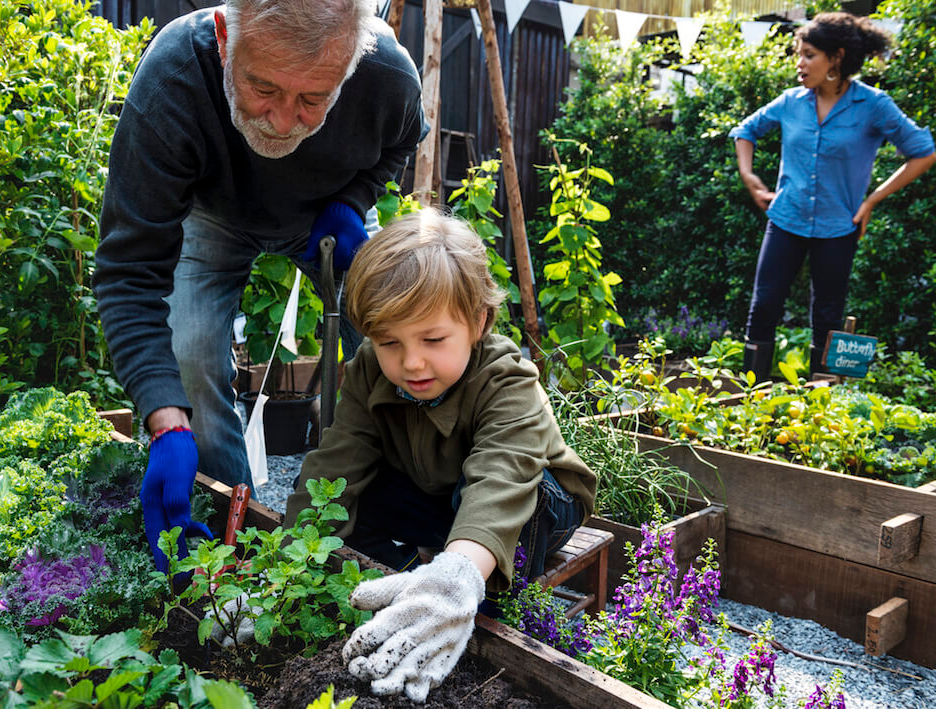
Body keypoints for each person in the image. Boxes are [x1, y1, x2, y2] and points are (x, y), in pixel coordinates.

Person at [91, 0, 426, 571]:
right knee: (190, 363)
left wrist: (351, 203)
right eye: (262, 87)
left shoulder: (386, 74)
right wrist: (165, 421)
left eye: (313, 100)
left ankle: (406, 512)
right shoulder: (175, 75)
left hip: (326, 216)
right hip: (213, 217)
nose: (280, 119)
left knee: (402, 338)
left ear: (350, 66)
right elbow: (129, 271)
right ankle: (230, 536)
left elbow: (400, 142)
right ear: (226, 38)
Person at [282, 208, 597, 702]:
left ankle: (477, 600)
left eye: (432, 339)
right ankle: (409, 581)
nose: (411, 361)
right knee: (348, 495)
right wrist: (282, 572)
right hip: (436, 492)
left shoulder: (506, 378)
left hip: (533, 500)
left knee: (521, 499)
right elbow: (335, 463)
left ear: (477, 322)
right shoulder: (370, 370)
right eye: (389, 342)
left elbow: (501, 476)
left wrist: (460, 577)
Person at [730, 12, 936, 378]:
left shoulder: (873, 105)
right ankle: (751, 400)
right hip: (786, 218)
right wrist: (749, 175)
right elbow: (746, 130)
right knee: (763, 308)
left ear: (836, 58)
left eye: (809, 54)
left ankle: (820, 406)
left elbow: (923, 152)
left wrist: (872, 200)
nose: (800, 63)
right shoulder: (791, 101)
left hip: (839, 227)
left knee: (827, 318)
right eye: (799, 54)